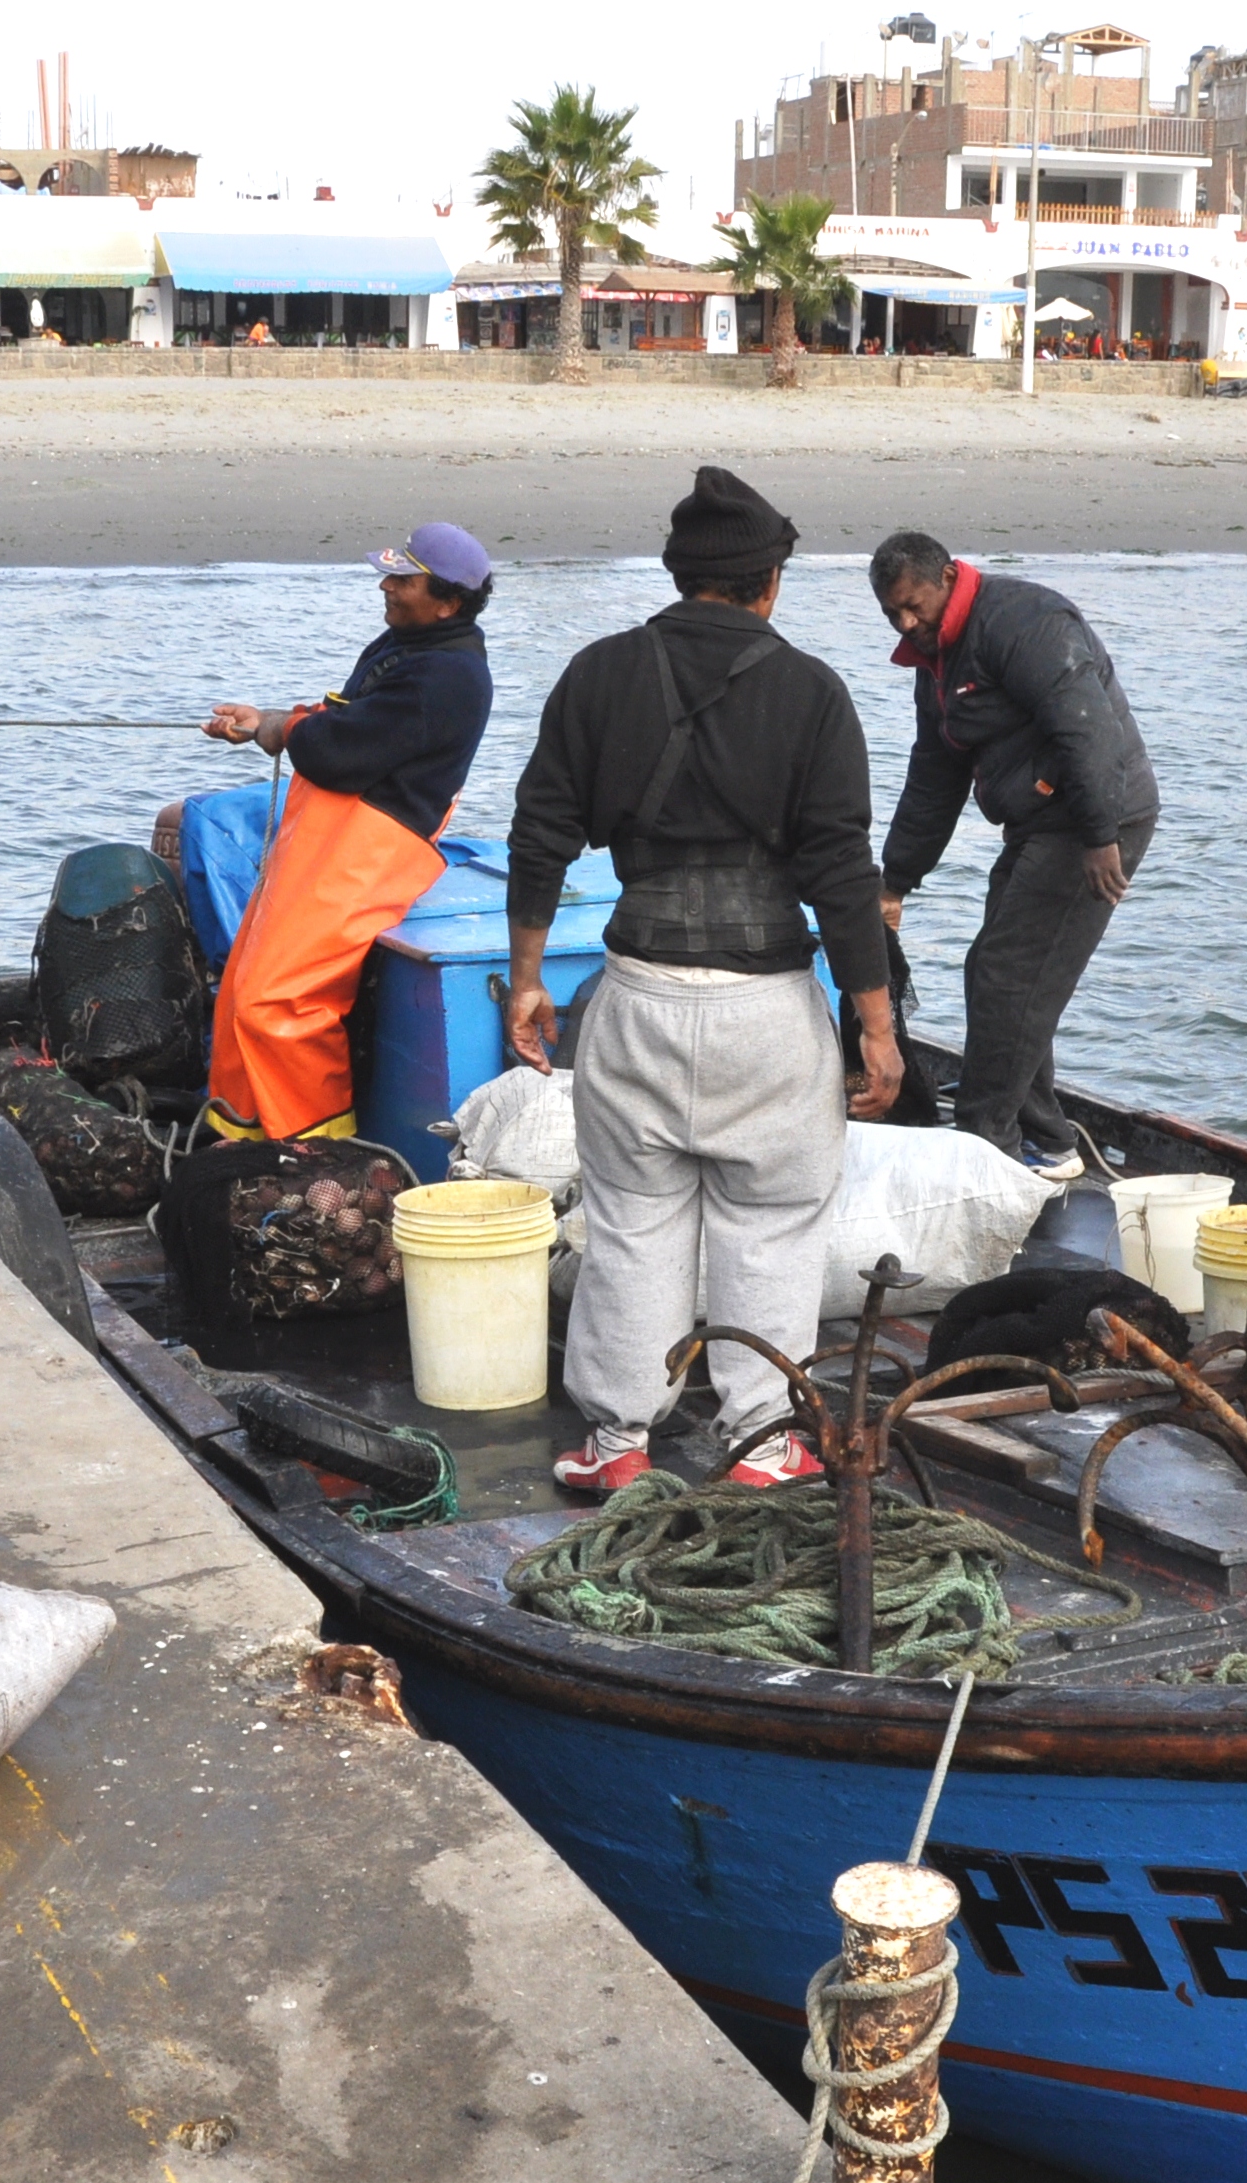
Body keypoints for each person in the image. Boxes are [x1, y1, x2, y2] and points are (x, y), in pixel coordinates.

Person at [505, 466, 899, 1498]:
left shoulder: (598, 674)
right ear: (768, 581)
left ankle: (615, 1437)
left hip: (634, 993)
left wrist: (526, 978)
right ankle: (763, 1443)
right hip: (767, 1008)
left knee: (632, 1224)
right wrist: (876, 1026)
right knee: (768, 1226)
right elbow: (842, 876)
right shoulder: (810, 690)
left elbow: (539, 833)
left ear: (679, 574)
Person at [868, 531, 1159, 1176]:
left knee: (1007, 974)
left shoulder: (1025, 623)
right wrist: (897, 879)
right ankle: (1048, 1140)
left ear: (947, 577)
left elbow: (1085, 725)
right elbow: (933, 776)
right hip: (1041, 823)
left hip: (1095, 821)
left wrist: (1098, 834)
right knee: (1003, 974)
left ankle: (984, 1146)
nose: (907, 623)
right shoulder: (935, 660)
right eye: (893, 614)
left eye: (915, 606)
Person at [197, 521, 498, 1140]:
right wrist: (269, 721)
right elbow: (346, 721)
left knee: (282, 1001)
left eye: (403, 579)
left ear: (447, 600)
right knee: (242, 992)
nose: (386, 587)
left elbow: (339, 754)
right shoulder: (409, 644)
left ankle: (319, 1168)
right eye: (388, 574)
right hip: (327, 846)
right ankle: (240, 1144)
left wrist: (283, 731)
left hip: (367, 854)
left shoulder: (449, 675)